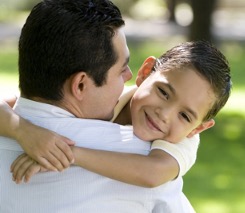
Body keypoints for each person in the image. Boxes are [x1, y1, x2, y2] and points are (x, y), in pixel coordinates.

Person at [0, 0, 200, 212]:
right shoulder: (137, 160)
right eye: (121, 69)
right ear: (81, 85)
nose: (129, 76)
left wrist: (20, 129)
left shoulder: (9, 127)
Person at [10, 41, 231, 188]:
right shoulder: (108, 99)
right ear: (145, 73)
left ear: (197, 128)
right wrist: (24, 131)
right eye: (163, 92)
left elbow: (152, 174)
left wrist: (66, 155)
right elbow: (10, 105)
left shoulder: (183, 142)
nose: (164, 114)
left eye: (185, 116)